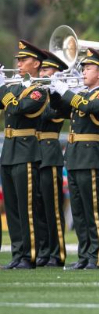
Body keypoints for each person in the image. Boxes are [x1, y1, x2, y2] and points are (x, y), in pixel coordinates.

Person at [49, 48, 99, 270]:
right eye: (82, 68)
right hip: (75, 156)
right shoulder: (81, 94)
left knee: (94, 209)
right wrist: (55, 90)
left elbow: (91, 107)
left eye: (87, 68)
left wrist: (67, 91)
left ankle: (98, 255)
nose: (83, 72)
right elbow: (58, 108)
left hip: (92, 157)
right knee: (80, 211)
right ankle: (85, 254)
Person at [0, 40, 49, 269]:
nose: (18, 64)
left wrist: (2, 89)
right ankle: (17, 253)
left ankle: (29, 255)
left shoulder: (39, 90)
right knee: (12, 209)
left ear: (36, 63)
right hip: (9, 151)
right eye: (18, 60)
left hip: (26, 151)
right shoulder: (15, 87)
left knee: (26, 208)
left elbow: (18, 108)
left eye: (23, 60)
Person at [33, 51, 70, 267]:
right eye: (42, 70)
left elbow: (48, 114)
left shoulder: (60, 96)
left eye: (46, 70)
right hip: (33, 152)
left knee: (52, 207)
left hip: (49, 152)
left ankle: (57, 253)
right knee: (36, 206)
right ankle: (43, 251)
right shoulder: (35, 92)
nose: (42, 73)